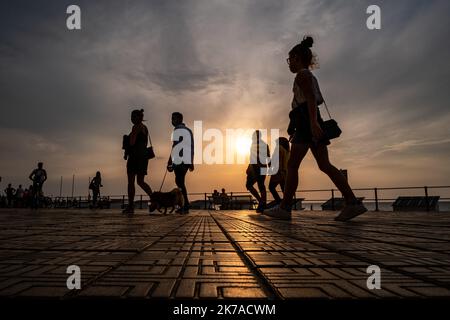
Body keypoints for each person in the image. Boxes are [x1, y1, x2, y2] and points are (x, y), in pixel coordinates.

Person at [265, 36, 367, 221]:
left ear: (297, 58)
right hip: (310, 119)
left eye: (290, 59)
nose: (289, 64)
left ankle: (285, 208)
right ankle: (352, 203)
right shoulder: (309, 76)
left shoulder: (302, 75)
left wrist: (312, 123)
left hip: (306, 121)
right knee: (324, 165)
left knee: (292, 165)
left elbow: (311, 99)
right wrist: (315, 122)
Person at [123, 109, 153, 214]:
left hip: (135, 157)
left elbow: (132, 143)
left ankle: (131, 205)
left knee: (131, 182)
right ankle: (154, 199)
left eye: (133, 116)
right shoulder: (145, 127)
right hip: (143, 157)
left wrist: (127, 139)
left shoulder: (136, 127)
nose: (131, 118)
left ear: (138, 117)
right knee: (141, 181)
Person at [167, 112, 194, 214]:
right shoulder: (189, 131)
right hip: (187, 159)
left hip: (180, 159)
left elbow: (175, 146)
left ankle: (185, 204)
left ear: (179, 119)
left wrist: (170, 160)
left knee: (180, 181)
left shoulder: (177, 129)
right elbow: (191, 147)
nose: (172, 121)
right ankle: (185, 204)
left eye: (173, 118)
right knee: (180, 181)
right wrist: (191, 161)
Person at [246, 130, 270, 213]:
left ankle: (261, 202)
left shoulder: (254, 145)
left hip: (256, 168)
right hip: (263, 167)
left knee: (249, 185)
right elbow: (268, 157)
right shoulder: (265, 145)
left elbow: (252, 158)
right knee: (261, 186)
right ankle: (262, 203)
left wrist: (249, 168)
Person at [268, 137, 290, 207]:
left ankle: (279, 202)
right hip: (285, 173)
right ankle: (286, 205)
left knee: (271, 187)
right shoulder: (288, 151)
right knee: (284, 189)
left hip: (278, 172)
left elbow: (276, 162)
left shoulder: (278, 148)